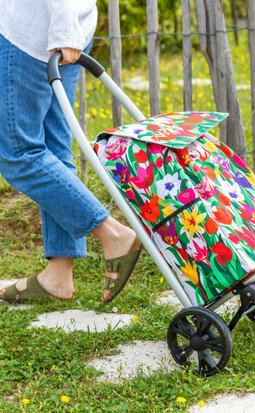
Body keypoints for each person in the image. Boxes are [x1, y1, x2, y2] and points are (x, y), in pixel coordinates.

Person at [0, 1, 141, 303]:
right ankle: (58, 274)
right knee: (53, 149)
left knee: (19, 155)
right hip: (60, 28)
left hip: (31, 32)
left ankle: (113, 234)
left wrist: (64, 28)